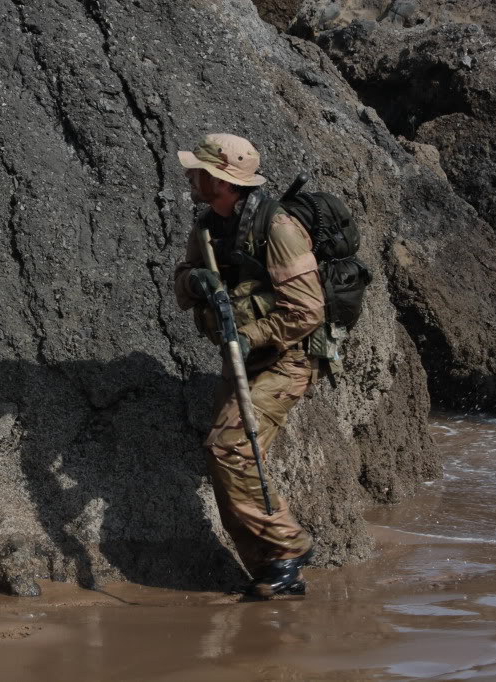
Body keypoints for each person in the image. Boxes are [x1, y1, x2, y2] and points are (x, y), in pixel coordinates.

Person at [172, 133, 322, 598]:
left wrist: (248, 335)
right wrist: (194, 280)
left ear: (222, 180)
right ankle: (275, 574)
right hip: (242, 360)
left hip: (284, 361)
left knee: (229, 449)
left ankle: (289, 544)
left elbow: (307, 310)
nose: (190, 176)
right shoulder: (209, 226)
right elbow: (182, 283)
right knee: (224, 461)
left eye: (198, 171)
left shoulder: (277, 228)